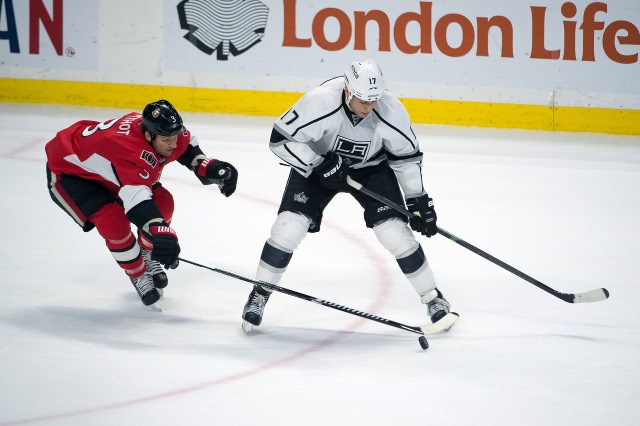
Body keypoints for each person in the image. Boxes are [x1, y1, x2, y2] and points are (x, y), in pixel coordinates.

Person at [241, 59, 451, 332]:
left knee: (395, 232)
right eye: (363, 100)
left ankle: (433, 297)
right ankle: (259, 294)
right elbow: (280, 139)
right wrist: (318, 163)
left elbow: (406, 157)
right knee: (288, 228)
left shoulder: (390, 109)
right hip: (318, 167)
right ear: (348, 91)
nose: (368, 108)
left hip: (371, 169)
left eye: (373, 100)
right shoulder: (320, 102)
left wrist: (418, 200)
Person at [45, 100, 238, 307]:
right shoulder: (129, 150)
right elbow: (137, 204)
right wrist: (161, 233)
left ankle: (147, 253)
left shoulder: (164, 131)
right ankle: (137, 274)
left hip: (109, 167)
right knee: (114, 222)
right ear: (148, 135)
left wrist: (212, 168)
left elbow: (187, 149)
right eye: (166, 140)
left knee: (163, 202)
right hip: (71, 174)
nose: (172, 144)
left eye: (174, 137)